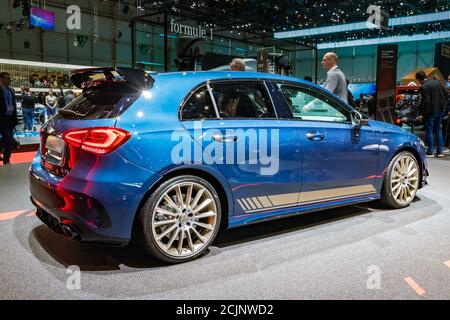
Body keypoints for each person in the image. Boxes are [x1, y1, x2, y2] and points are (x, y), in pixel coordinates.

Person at [415, 71, 448, 158]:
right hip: (441, 110)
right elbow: (446, 93)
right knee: (438, 129)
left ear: (418, 79)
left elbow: (426, 102)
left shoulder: (423, 86)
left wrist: (422, 114)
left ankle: (430, 151)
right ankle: (440, 151)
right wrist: (444, 106)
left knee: (429, 130)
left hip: (430, 112)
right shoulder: (437, 82)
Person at [0, 72, 18, 165]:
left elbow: (13, 104)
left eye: (9, 78)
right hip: (1, 119)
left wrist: (15, 118)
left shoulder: (11, 90)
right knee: (8, 138)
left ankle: (6, 159)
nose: (9, 80)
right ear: (1, 79)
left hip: (10, 118)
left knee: (7, 139)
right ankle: (6, 160)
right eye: (7, 78)